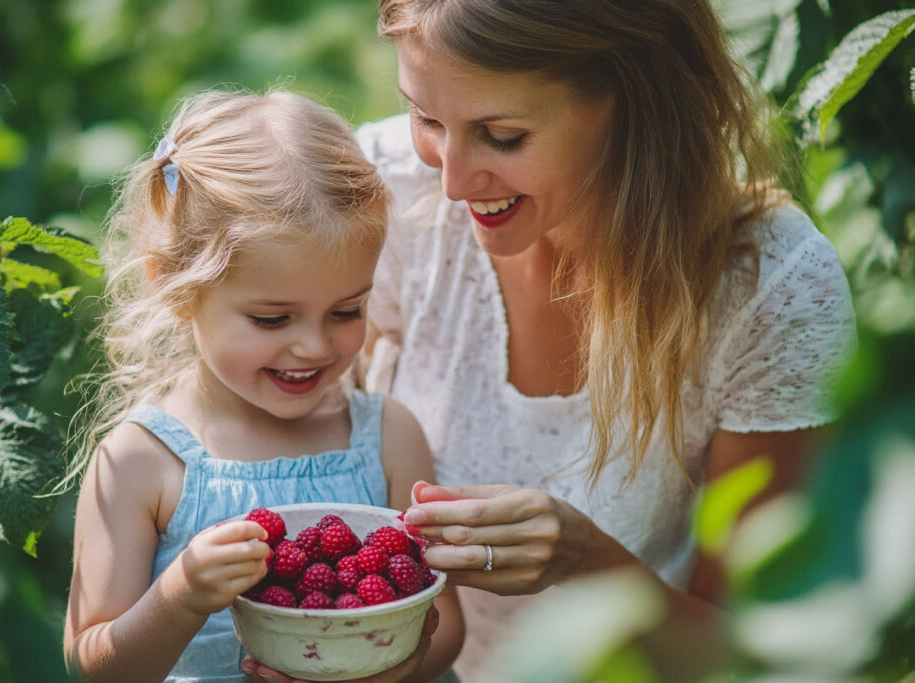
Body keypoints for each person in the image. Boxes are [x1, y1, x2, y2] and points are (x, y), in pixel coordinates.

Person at [355, 0, 857, 679]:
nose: (451, 181)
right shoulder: (386, 187)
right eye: (426, 118)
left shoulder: (769, 288)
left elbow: (758, 653)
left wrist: (590, 562)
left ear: (632, 101)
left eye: (502, 136)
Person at [62, 89, 464, 683]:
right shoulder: (141, 464)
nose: (315, 346)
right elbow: (92, 664)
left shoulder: (388, 436)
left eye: (347, 311)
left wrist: (395, 671)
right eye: (273, 319)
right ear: (176, 286)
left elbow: (444, 624)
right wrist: (179, 596)